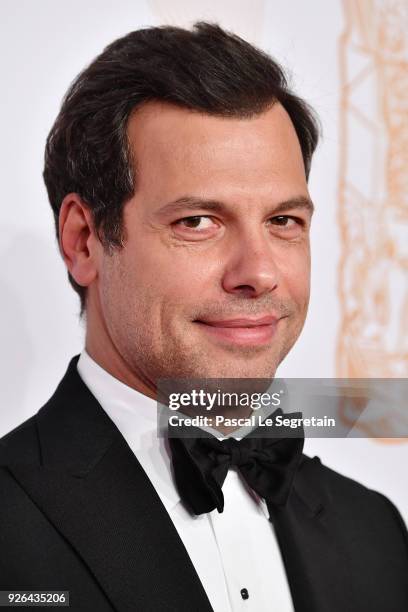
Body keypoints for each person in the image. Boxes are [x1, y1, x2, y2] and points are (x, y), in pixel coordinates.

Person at [0, 21, 407, 612]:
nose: (259, 272)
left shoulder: (374, 532)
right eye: (198, 222)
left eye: (283, 221)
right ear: (84, 240)